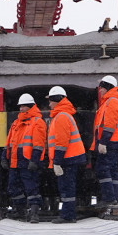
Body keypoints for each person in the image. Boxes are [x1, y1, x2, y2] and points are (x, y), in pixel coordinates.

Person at [3, 93, 47, 223]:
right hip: (15, 161)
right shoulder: (16, 123)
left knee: (31, 187)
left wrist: (34, 160)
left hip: (27, 161)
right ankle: (20, 210)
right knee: (13, 187)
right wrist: (4, 157)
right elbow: (9, 142)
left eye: (24, 106)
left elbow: (38, 144)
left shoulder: (37, 122)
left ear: (31, 107)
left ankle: (34, 212)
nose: (21, 108)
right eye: (20, 106)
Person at [46, 86, 86, 223]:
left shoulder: (61, 117)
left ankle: (68, 216)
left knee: (66, 187)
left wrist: (57, 162)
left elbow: (61, 143)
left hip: (67, 158)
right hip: (70, 158)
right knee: (68, 186)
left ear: (57, 100)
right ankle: (68, 214)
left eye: (51, 100)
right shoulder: (63, 115)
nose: (49, 104)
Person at [91, 75, 118, 207]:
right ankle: (114, 198)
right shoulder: (112, 101)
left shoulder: (111, 102)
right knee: (112, 169)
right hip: (116, 141)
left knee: (103, 168)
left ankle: (108, 198)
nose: (99, 90)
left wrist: (103, 142)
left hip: (111, 141)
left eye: (101, 87)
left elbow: (109, 125)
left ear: (107, 87)